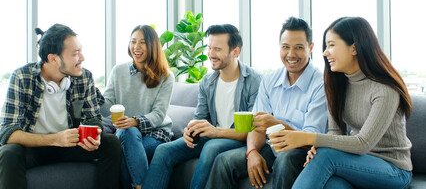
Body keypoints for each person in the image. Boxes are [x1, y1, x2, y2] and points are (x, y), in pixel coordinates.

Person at [271, 17, 412, 188]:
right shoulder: (337, 85)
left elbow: (363, 143)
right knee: (331, 184)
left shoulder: (384, 89)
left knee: (326, 157)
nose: (325, 53)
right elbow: (335, 133)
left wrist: (306, 138)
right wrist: (319, 149)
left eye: (331, 45)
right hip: (354, 164)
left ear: (353, 48)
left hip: (393, 170)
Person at [206, 17, 328, 189]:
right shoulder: (270, 80)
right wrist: (252, 152)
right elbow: (257, 124)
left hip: (302, 151)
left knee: (286, 160)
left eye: (299, 47)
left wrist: (277, 124)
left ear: (311, 48)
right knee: (224, 161)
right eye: (285, 47)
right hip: (271, 148)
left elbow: (311, 139)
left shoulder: (321, 84)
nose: (291, 54)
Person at [0, 24, 121, 189]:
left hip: (71, 145)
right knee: (8, 153)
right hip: (34, 148)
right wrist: (55, 139)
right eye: (75, 53)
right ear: (53, 58)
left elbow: (93, 118)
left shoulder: (84, 77)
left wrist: (95, 134)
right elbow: (7, 132)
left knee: (111, 143)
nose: (82, 58)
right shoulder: (22, 77)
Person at [142, 24, 262, 189]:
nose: (211, 54)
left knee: (212, 147)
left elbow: (252, 130)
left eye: (217, 49)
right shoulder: (208, 81)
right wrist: (190, 131)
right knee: (163, 150)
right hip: (211, 136)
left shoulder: (255, 81)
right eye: (210, 48)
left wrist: (215, 132)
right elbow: (199, 118)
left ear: (235, 51)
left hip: (238, 139)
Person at [100, 25, 174, 189]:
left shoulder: (166, 77)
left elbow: (158, 114)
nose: (136, 47)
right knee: (127, 134)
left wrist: (134, 121)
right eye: (133, 41)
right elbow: (108, 107)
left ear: (152, 46)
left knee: (124, 153)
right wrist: (95, 98)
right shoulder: (118, 71)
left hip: (155, 134)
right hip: (125, 132)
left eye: (142, 42)